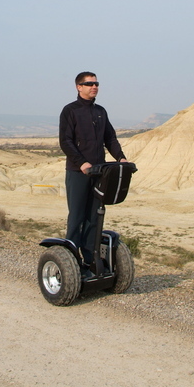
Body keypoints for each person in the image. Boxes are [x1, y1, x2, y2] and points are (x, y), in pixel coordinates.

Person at [59, 71, 127, 272]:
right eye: (89, 84)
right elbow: (65, 141)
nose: (94, 86)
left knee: (94, 217)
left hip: (99, 173)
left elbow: (110, 138)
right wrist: (82, 163)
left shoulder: (100, 111)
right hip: (78, 172)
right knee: (77, 217)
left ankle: (90, 260)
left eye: (96, 83)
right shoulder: (70, 111)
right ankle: (71, 262)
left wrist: (121, 158)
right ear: (78, 87)